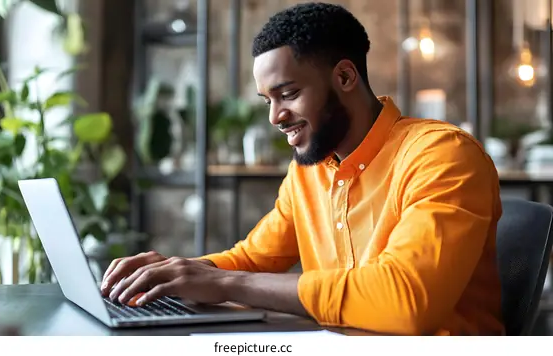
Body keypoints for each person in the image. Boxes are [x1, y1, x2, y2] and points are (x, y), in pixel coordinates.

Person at [100, 2, 504, 336]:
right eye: (266, 101)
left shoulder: (441, 155)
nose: (275, 116)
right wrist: (176, 274)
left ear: (345, 76)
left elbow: (407, 302)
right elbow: (253, 259)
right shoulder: (307, 171)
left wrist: (223, 282)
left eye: (288, 94)